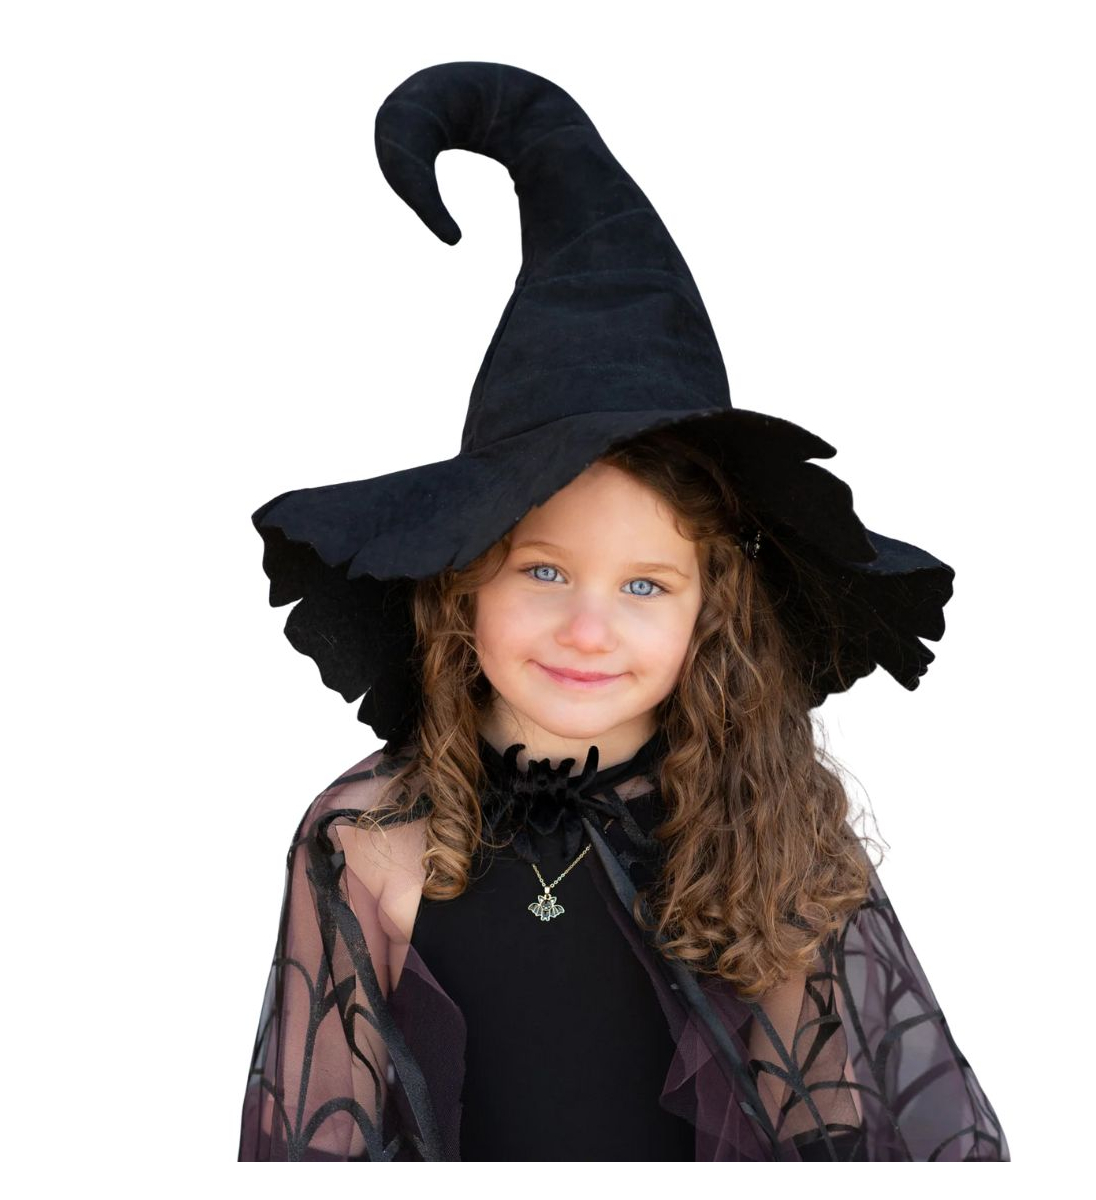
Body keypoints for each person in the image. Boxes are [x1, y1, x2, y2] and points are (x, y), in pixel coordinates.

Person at [237, 61, 1010, 1162]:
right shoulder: (368, 844)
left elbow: (840, 1142)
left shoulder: (768, 831)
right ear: (461, 580)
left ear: (714, 613)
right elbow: (314, 1149)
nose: (588, 630)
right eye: (543, 572)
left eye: (645, 585)